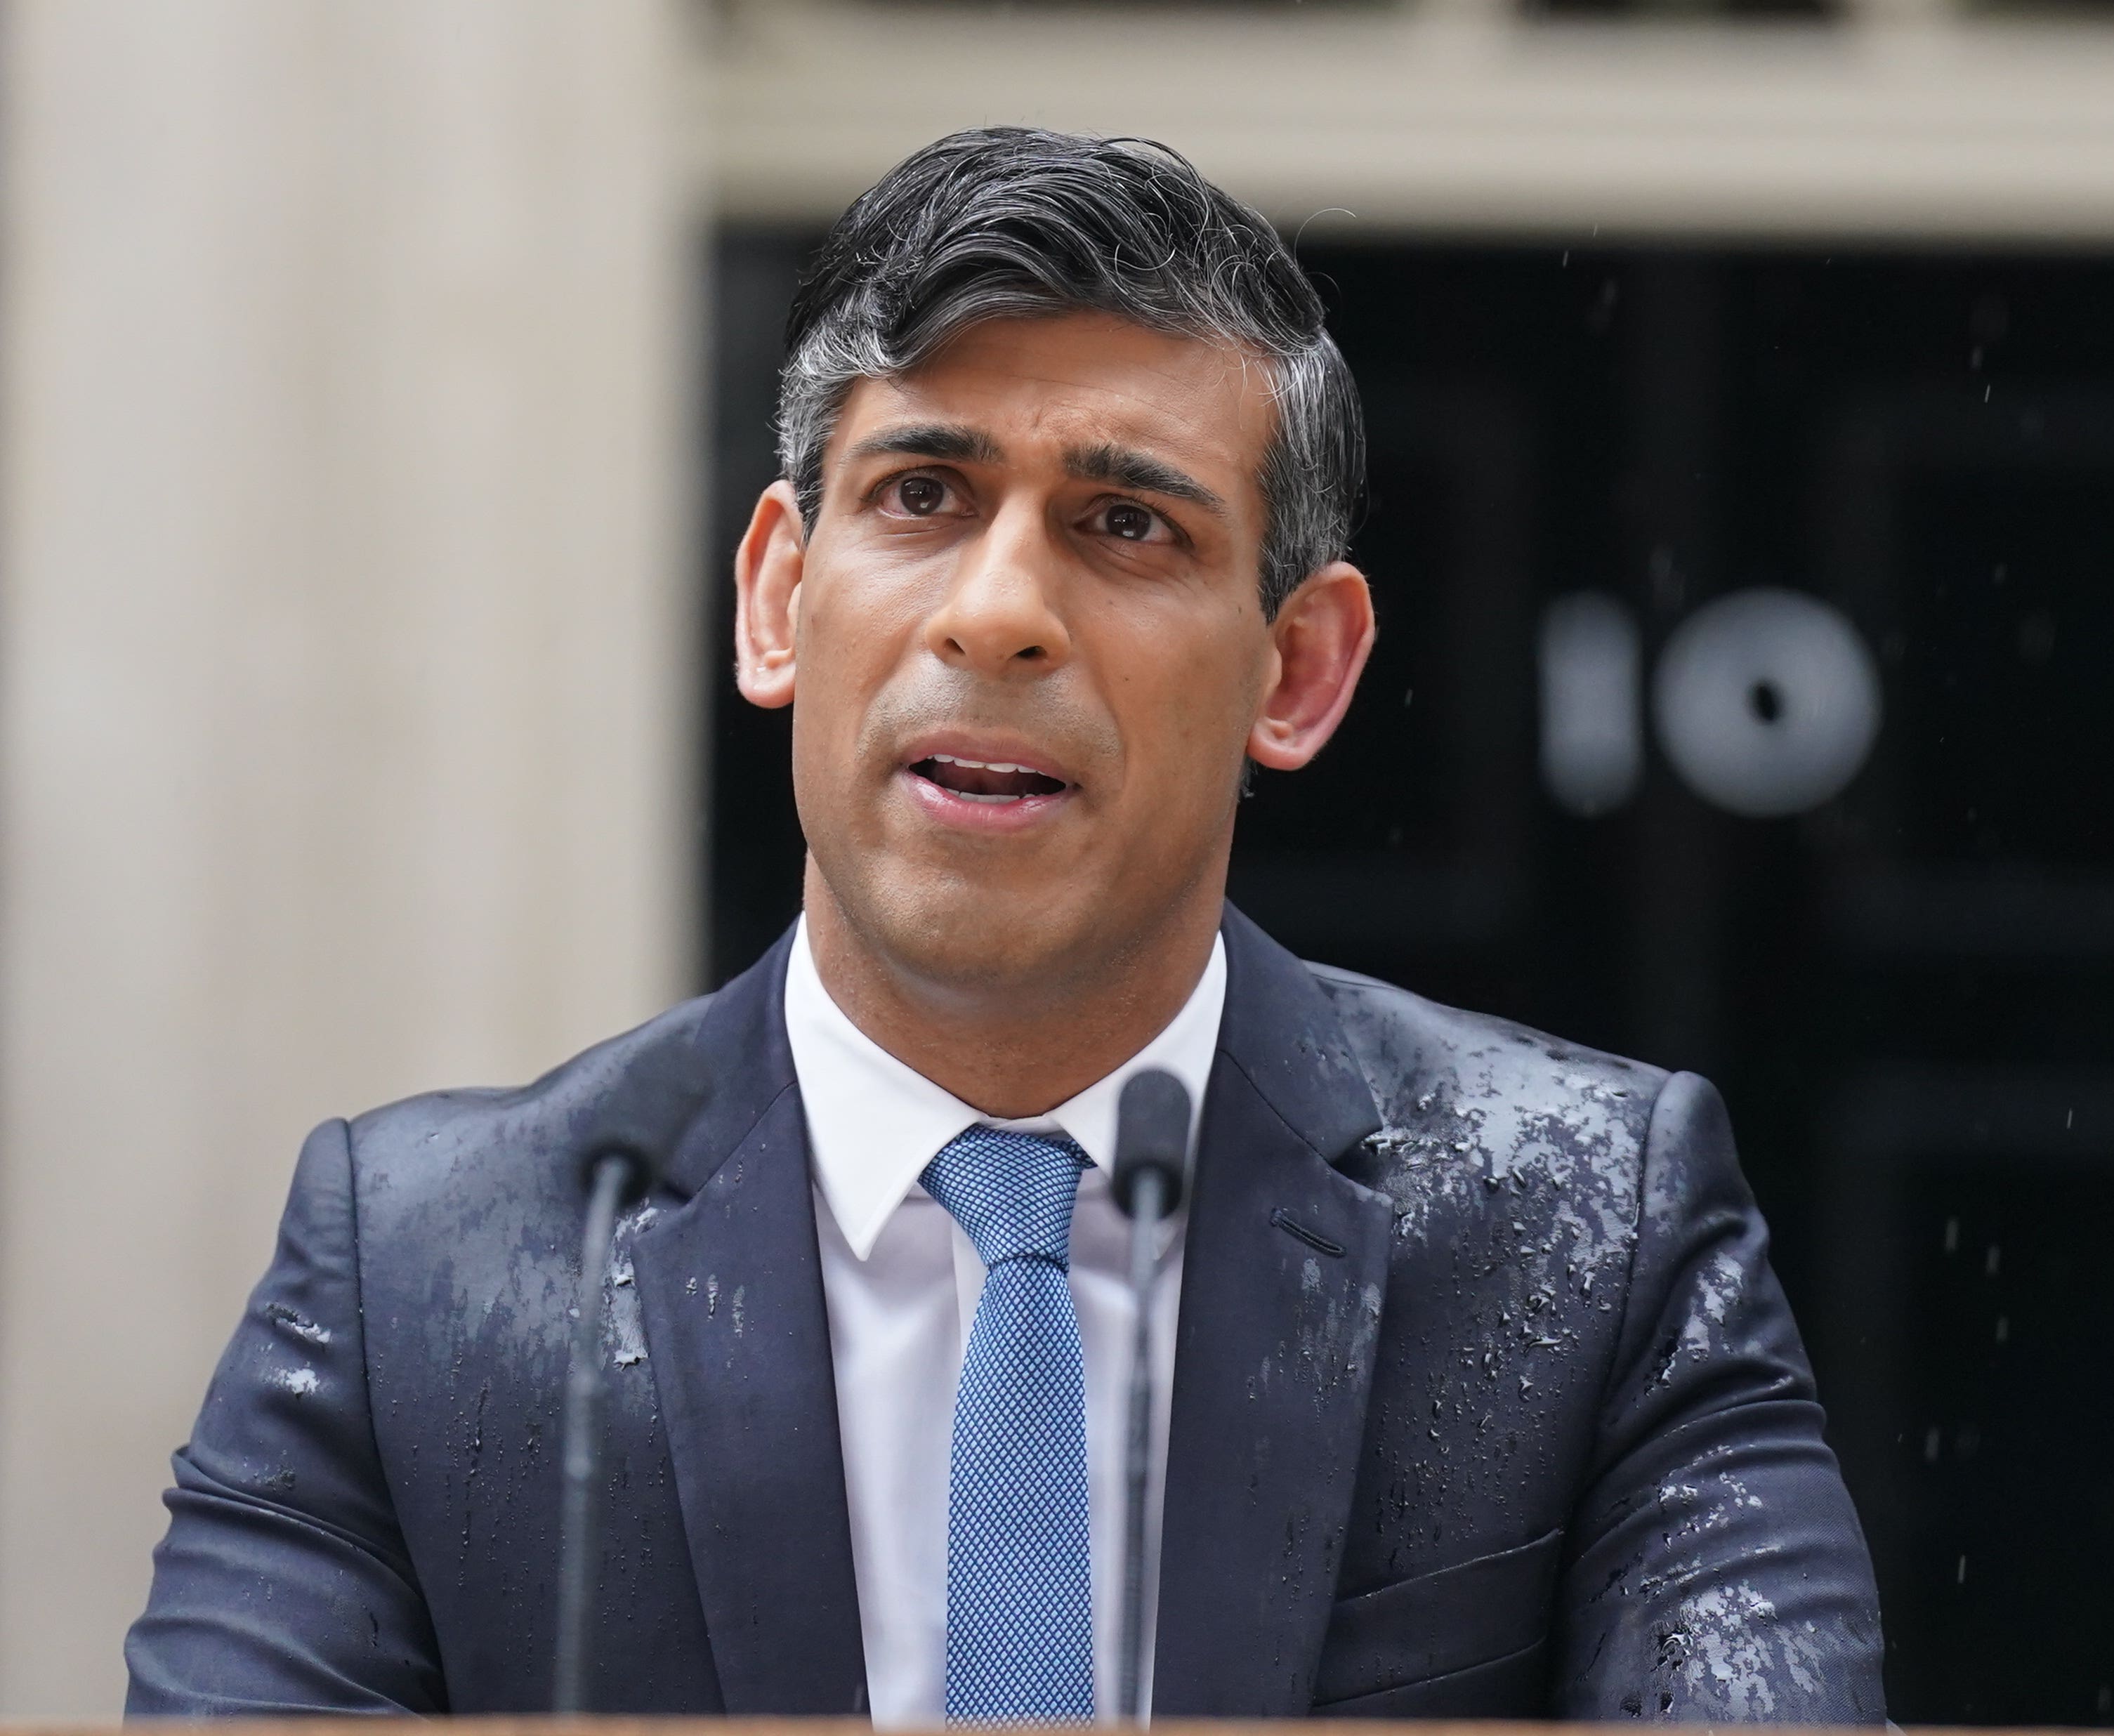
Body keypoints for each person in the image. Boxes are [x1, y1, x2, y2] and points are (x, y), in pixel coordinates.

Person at [124, 127, 1886, 1724]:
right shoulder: (421, 1272)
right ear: (775, 602)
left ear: (1302, 668)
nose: (999, 612)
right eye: (921, 497)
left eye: (1125, 524)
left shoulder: (1593, 1229)